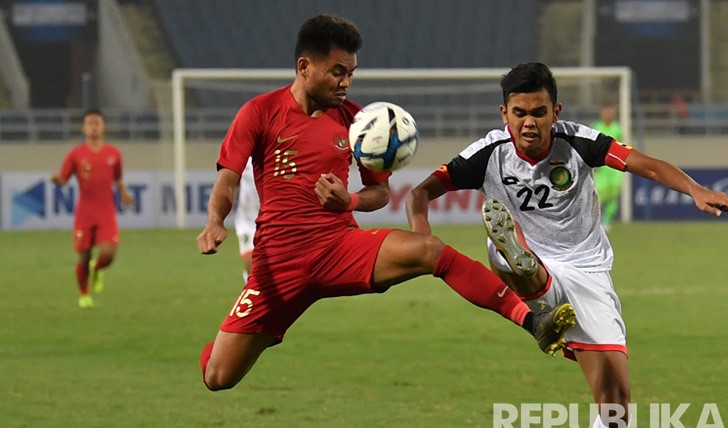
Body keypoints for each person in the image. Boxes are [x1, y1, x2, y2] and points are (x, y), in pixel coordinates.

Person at [406, 63, 728, 428]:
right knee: (507, 253)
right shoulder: (489, 155)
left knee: (618, 413)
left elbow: (642, 162)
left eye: (538, 112)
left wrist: (695, 190)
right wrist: (422, 242)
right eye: (518, 112)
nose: (528, 122)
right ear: (504, 113)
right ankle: (532, 287)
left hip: (588, 272)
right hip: (534, 261)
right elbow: (421, 193)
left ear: (554, 111)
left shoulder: (578, 141)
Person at [196, 15, 574, 392]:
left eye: (351, 73)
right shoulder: (260, 112)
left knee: (429, 251)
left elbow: (380, 193)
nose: (345, 82)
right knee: (218, 377)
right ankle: (226, 345)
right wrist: (216, 222)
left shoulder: (358, 121)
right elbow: (227, 180)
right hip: (278, 264)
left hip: (338, 247)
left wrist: (351, 200)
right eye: (337, 72)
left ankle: (532, 320)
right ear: (304, 67)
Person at [51, 108, 135, 308]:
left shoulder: (113, 153)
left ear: (103, 126)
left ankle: (97, 269)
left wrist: (123, 192)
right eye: (89, 123)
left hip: (106, 211)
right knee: (84, 254)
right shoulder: (76, 154)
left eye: (97, 123)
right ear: (84, 127)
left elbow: (117, 178)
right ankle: (84, 293)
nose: (93, 127)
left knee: (108, 253)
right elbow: (63, 180)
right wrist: (56, 180)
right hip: (85, 213)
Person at [591, 103, 624, 230]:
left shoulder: (618, 129)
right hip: (601, 169)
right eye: (606, 112)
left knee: (614, 197)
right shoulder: (596, 127)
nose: (608, 114)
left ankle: (606, 221)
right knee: (598, 196)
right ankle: (594, 221)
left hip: (615, 170)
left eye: (610, 112)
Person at [234, 158, 259, 281]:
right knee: (254, 273)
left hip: (275, 219)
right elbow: (231, 178)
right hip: (248, 222)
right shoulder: (245, 154)